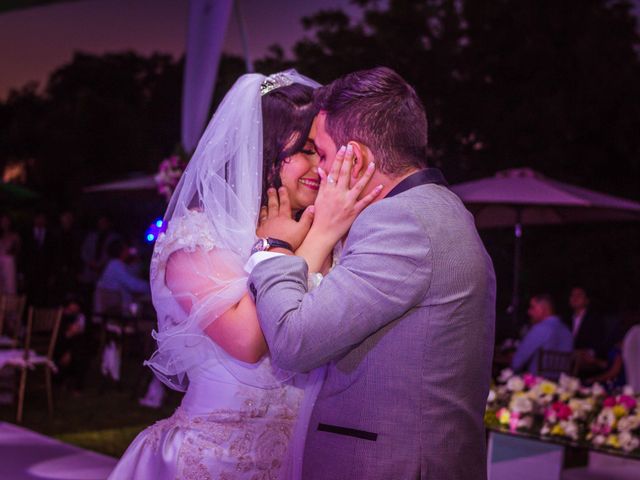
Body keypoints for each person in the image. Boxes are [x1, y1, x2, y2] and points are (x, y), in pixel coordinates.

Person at [109, 70, 377, 480]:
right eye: (306, 150)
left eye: (323, 153)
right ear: (263, 149)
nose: (321, 168)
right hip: (212, 461)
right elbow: (249, 342)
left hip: (303, 462)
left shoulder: (327, 236)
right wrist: (295, 245)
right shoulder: (196, 238)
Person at [248, 67, 496, 480]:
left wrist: (271, 248)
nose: (320, 171)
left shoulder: (400, 224)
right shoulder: (438, 210)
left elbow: (293, 341)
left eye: (323, 155)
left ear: (356, 158)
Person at [511, 294, 573, 376]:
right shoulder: (567, 331)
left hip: (537, 384)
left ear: (543, 309)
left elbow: (516, 363)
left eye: (532, 307)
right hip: (562, 385)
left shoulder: (540, 329)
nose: (529, 312)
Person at [568, 286, 609, 377]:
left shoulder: (595, 319)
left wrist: (588, 353)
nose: (575, 298)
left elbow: (599, 344)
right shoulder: (565, 320)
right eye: (572, 295)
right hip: (567, 360)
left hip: (587, 362)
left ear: (586, 300)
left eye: (579, 295)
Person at [0, 213, 20, 295]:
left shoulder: (15, 236)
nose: (4, 223)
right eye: (2, 221)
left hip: (10, 265)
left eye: (6, 221)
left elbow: (18, 252)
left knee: (10, 288)